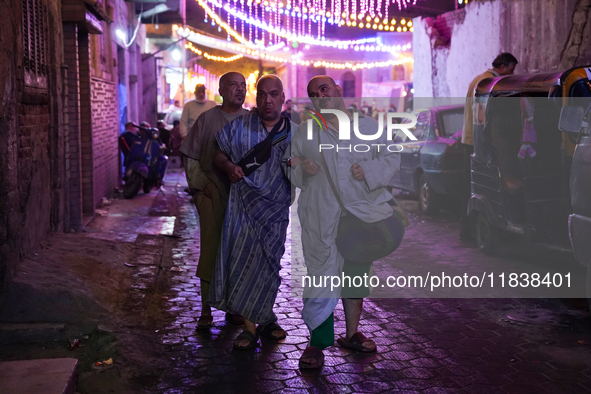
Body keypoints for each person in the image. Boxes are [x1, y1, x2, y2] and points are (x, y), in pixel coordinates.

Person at [290, 76, 406, 368]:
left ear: (339, 90)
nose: (321, 96)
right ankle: (317, 343)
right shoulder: (305, 133)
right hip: (321, 215)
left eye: (324, 89)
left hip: (359, 215)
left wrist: (368, 170)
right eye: (314, 94)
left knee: (356, 271)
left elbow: (391, 158)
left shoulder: (368, 127)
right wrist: (303, 167)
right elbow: (289, 165)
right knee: (321, 275)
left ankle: (352, 334)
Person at [210, 75, 294, 350]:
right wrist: (228, 167)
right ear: (255, 98)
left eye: (273, 94)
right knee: (244, 262)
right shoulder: (240, 126)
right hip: (242, 207)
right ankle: (248, 328)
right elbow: (217, 154)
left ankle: (266, 317)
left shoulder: (294, 132)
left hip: (275, 211)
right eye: (261, 94)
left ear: (282, 98)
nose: (267, 100)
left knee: (270, 266)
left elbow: (306, 171)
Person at [179, 72, 249, 328]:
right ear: (221, 90)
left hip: (242, 199)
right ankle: (206, 310)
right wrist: (201, 185)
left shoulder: (251, 120)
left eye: (243, 86)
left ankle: (234, 307)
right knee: (211, 251)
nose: (239, 90)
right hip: (211, 195)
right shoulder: (207, 119)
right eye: (234, 85)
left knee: (238, 254)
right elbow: (192, 157)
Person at [460, 52, 518, 241]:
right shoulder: (489, 84)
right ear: (502, 66)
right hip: (477, 142)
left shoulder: (478, 79)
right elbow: (482, 117)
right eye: (510, 69)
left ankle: (469, 234)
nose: (511, 74)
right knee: (481, 189)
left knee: (472, 189)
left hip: (470, 139)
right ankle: (471, 234)